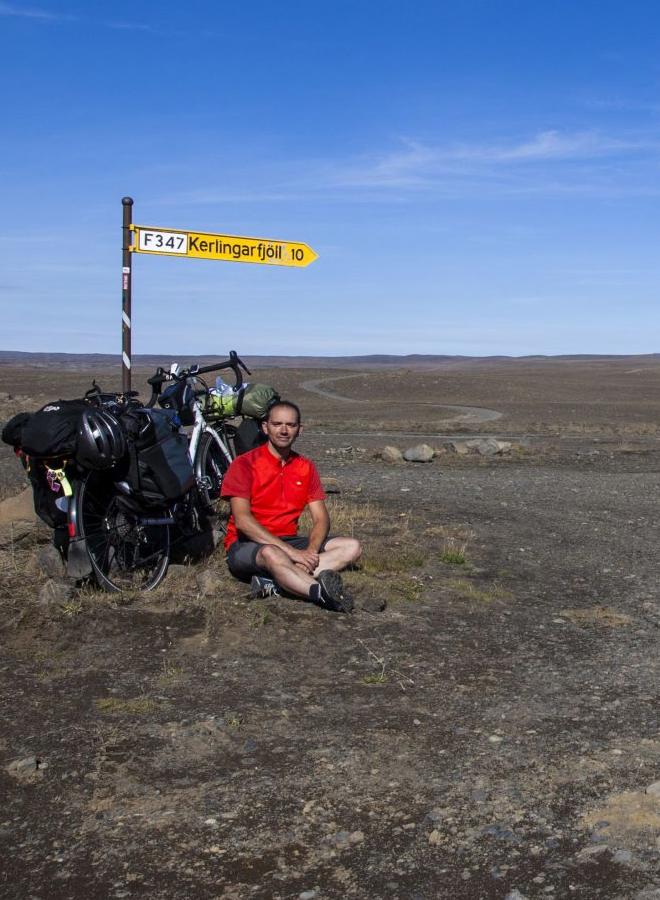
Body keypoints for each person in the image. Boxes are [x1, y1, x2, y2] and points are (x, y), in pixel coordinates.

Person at [220, 400, 361, 612]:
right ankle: (322, 594)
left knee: (351, 547)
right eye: (277, 424)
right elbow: (243, 521)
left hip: (290, 540)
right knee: (272, 554)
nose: (284, 430)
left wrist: (310, 553)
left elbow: (321, 518)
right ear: (265, 427)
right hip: (248, 544)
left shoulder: (305, 467)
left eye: (291, 425)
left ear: (299, 429)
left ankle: (277, 583)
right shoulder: (244, 464)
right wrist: (292, 554)